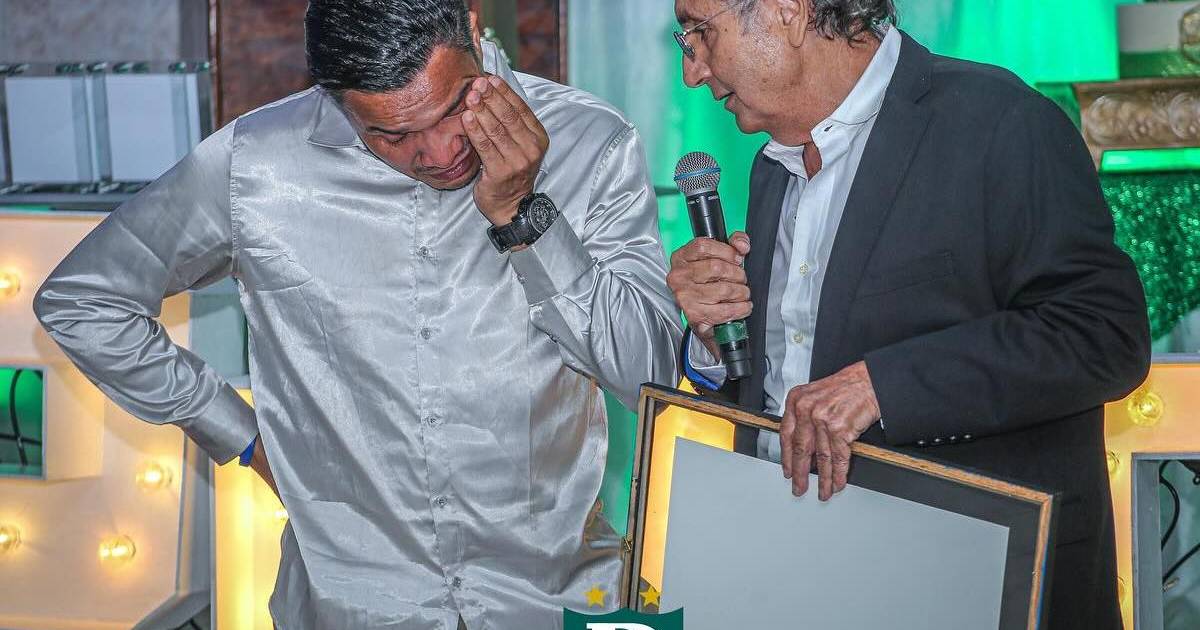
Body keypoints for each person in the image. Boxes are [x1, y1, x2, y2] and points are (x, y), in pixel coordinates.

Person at [34, 1, 681, 627]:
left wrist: (525, 216)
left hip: (554, 598)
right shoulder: (256, 166)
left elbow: (650, 379)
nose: (439, 153)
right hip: (351, 607)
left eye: (455, 106)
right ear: (335, 98)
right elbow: (83, 299)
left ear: (472, 28)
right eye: (391, 135)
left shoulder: (588, 142)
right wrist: (244, 437)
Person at [667, 1, 1151, 627]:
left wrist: (881, 387)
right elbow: (790, 378)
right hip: (800, 579)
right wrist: (715, 339)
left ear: (788, 11)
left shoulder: (998, 121)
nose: (692, 72)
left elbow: (1102, 333)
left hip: (971, 588)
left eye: (700, 32)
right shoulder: (772, 167)